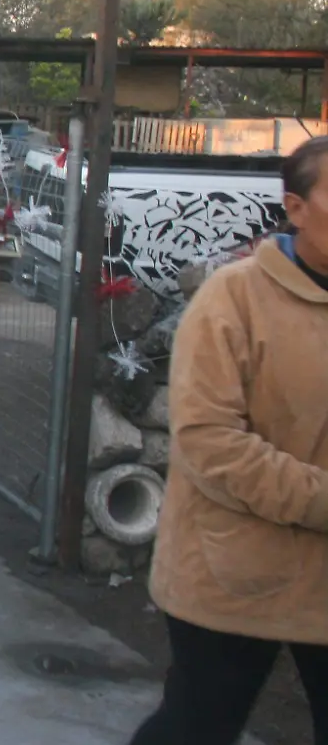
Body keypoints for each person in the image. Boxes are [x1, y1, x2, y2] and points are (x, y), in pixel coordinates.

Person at [127, 137, 328, 745]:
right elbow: (211, 442)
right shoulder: (234, 299)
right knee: (197, 724)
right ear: (295, 208)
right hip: (234, 573)